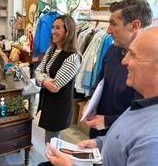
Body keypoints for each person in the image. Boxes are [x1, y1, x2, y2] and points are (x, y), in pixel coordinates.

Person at [45, 26, 158, 166]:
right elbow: (126, 138)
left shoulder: (153, 141)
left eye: (133, 55)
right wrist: (99, 143)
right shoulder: (144, 103)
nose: (124, 61)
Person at [84, 0, 153, 138]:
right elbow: (101, 78)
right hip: (97, 127)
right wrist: (91, 102)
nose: (108, 30)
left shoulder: (149, 65)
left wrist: (108, 121)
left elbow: (144, 113)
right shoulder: (112, 49)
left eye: (113, 24)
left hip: (123, 136)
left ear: (134, 26)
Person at [35, 15, 81, 165]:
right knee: (52, 139)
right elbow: (37, 71)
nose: (53, 31)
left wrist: (42, 79)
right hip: (49, 102)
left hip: (59, 105)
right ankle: (55, 162)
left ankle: (56, 162)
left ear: (68, 32)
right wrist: (44, 80)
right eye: (53, 27)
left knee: (52, 139)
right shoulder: (51, 50)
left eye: (58, 28)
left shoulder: (72, 57)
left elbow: (55, 87)